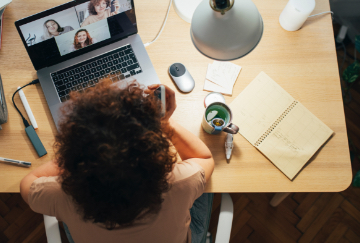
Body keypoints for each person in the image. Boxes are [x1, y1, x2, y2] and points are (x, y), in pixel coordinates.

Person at [20, 81, 215, 243]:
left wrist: (73, 154)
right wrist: (164, 123)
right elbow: (204, 158)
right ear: (154, 157)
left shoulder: (62, 195)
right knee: (207, 186)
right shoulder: (180, 183)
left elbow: (28, 182)